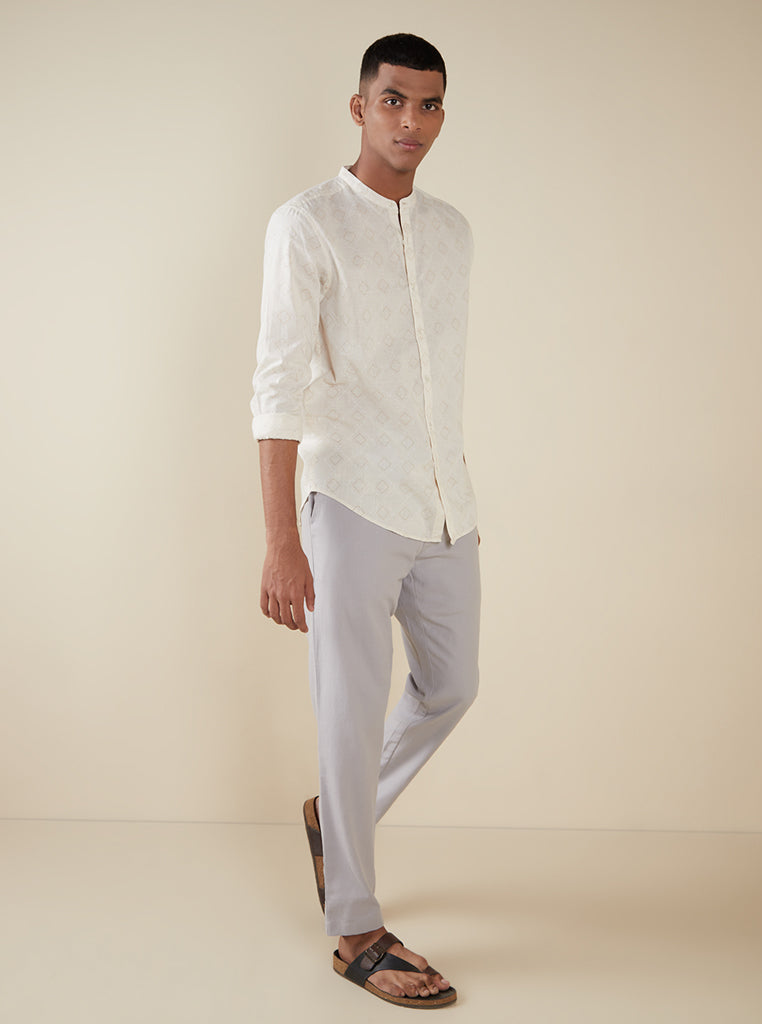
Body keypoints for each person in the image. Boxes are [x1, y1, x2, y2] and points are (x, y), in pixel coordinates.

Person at [250, 32, 481, 1009]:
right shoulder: (305, 224)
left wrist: (453, 496)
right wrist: (281, 540)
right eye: (393, 100)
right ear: (359, 107)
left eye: (428, 105)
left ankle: (336, 815)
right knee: (348, 709)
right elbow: (276, 384)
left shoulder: (453, 232)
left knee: (453, 685)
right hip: (347, 499)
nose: (410, 122)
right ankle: (354, 929)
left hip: (443, 501)